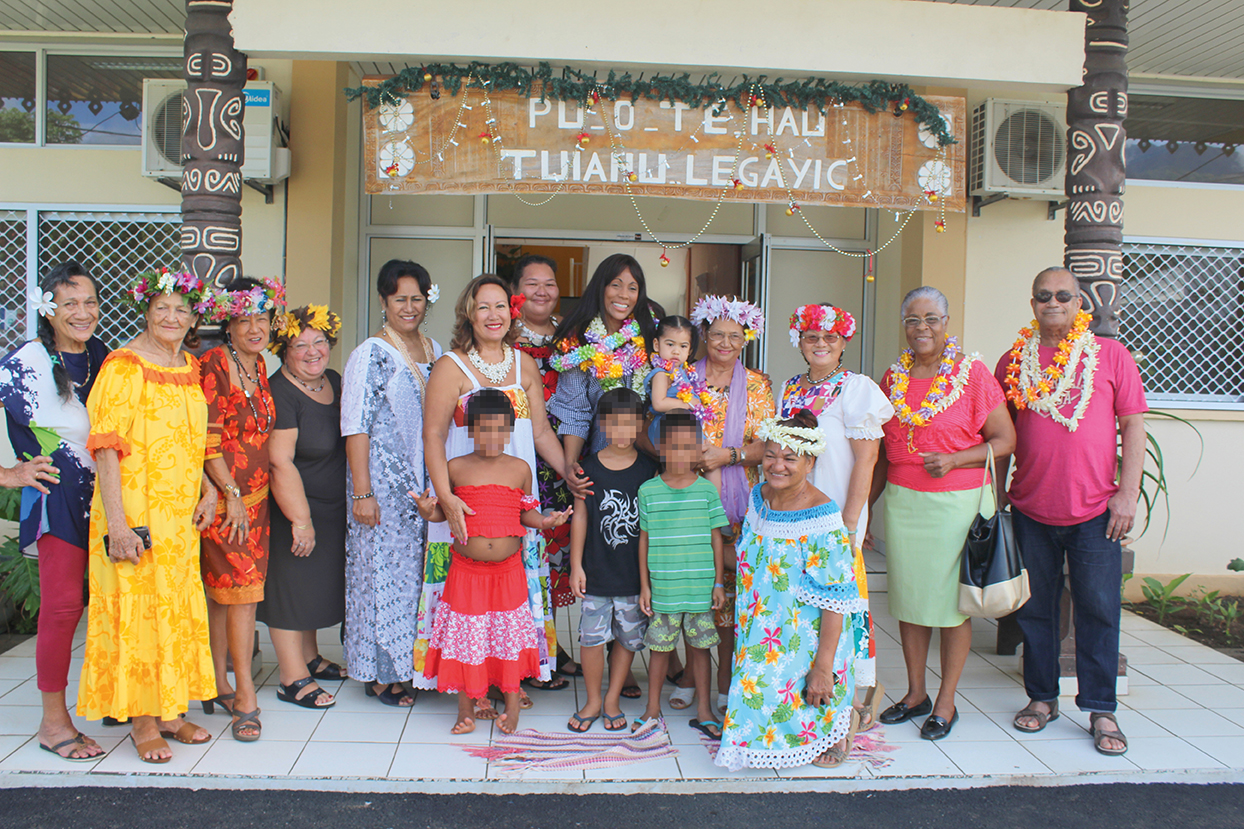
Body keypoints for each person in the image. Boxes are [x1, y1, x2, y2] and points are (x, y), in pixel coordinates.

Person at [996, 267, 1146, 756]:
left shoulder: (1110, 355)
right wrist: (996, 496)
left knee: (1098, 610)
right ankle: (1042, 698)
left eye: (1064, 295)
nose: (1053, 302)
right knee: (1036, 612)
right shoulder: (1015, 360)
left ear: (1079, 301)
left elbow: (1134, 426)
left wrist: (1127, 494)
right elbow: (1000, 437)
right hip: (1031, 507)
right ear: (1032, 302)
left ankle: (1102, 709)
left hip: (1097, 511)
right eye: (1044, 296)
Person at [78, 269, 218, 763]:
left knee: (175, 608)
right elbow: (107, 449)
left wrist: (208, 491)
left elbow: (190, 439)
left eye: (182, 309)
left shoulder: (188, 366)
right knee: (140, 610)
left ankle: (172, 710)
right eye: (163, 308)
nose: (172, 317)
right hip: (134, 510)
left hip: (180, 515)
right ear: (146, 311)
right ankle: (142, 720)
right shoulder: (124, 365)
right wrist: (117, 523)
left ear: (194, 316)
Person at [417, 274, 572, 713]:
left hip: (514, 496)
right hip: (464, 500)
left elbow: (540, 430)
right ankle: (470, 680)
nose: (493, 315)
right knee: (467, 594)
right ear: (469, 312)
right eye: (483, 306)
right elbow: (432, 435)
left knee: (512, 594)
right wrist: (445, 497)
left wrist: (568, 473)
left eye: (501, 306)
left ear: (512, 310)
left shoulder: (525, 365)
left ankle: (507, 675)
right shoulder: (452, 365)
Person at [869, 286, 1015, 741]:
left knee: (954, 605)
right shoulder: (892, 379)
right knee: (910, 602)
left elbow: (1006, 439)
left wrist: (956, 458)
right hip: (904, 502)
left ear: (946, 323)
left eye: (931, 318)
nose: (922, 328)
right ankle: (916, 695)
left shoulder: (971, 374)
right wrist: (864, 512)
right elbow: (882, 452)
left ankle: (947, 701)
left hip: (957, 504)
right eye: (913, 320)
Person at [413, 389, 572, 735]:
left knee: (509, 637)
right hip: (465, 572)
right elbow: (444, 512)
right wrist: (429, 511)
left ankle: (512, 706)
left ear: (511, 430)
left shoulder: (520, 469)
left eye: (500, 429)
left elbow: (527, 513)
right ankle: (466, 707)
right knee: (467, 637)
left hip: (509, 571)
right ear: (469, 430)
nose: (492, 437)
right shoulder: (456, 468)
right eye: (483, 428)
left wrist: (547, 521)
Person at [0, 262, 109, 760]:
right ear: (49, 309)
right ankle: (52, 722)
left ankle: (117, 699)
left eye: (89, 302)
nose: (82, 313)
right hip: (58, 497)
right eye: (70, 303)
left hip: (109, 499)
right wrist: (10, 474)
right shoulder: (28, 359)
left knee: (112, 603)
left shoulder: (105, 358)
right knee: (64, 609)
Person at [716, 412, 862, 771]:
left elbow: (837, 601)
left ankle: (839, 723)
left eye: (790, 458)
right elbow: (749, 556)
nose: (777, 465)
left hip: (806, 636)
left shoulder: (824, 518)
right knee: (753, 701)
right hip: (762, 626)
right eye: (770, 455)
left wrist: (823, 667)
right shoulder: (759, 497)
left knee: (781, 698)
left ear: (810, 463)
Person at [780, 304, 894, 728]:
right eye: (812, 336)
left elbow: (867, 461)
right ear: (801, 342)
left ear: (844, 342)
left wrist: (850, 522)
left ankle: (852, 698)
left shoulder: (856, 388)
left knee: (841, 605)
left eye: (830, 337)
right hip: (793, 513)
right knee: (803, 604)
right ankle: (804, 691)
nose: (821, 344)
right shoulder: (790, 388)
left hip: (835, 517)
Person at [341, 259, 443, 708]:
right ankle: (382, 674)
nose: (408, 307)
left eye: (416, 298)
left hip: (424, 485)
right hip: (381, 486)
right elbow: (355, 425)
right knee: (381, 576)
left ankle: (416, 666)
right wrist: (362, 492)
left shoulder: (435, 348)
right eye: (399, 298)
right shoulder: (371, 353)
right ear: (383, 300)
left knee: (418, 577)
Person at [677, 295, 775, 714]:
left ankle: (727, 679)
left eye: (734, 336)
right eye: (717, 334)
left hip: (745, 500)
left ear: (745, 340)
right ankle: (690, 675)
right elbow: (661, 431)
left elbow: (769, 444)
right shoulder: (681, 378)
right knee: (694, 588)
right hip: (688, 497)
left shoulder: (758, 385)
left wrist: (727, 455)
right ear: (703, 334)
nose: (724, 342)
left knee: (735, 591)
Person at [197, 276, 284, 742]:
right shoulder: (215, 364)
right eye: (244, 319)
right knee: (242, 594)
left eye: (262, 318)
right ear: (227, 324)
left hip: (256, 500)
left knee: (225, 595)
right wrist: (228, 493)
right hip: (229, 504)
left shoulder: (259, 365)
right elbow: (209, 441)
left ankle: (218, 681)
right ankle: (245, 697)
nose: (255, 327)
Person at [258, 305, 349, 710]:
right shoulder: (281, 390)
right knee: (291, 589)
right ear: (284, 350)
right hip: (295, 505)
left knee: (314, 584)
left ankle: (310, 656)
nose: (313, 352)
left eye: (319, 342)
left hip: (331, 504)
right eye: (300, 345)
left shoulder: (333, 380)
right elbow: (280, 460)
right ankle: (292, 677)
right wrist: (300, 520)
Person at [566, 388, 658, 733]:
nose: (622, 432)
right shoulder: (587, 469)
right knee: (591, 639)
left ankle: (612, 698)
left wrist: (650, 576)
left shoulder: (650, 471)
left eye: (630, 424)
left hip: (634, 575)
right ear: (602, 424)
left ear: (640, 425)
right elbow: (581, 517)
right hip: (597, 570)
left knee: (627, 639)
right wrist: (576, 565)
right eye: (613, 424)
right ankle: (592, 699)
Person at [635, 411, 728, 739]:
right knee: (659, 650)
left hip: (700, 589)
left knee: (700, 650)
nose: (679, 454)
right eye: (671, 447)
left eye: (688, 447)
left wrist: (718, 583)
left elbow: (717, 537)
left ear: (699, 450)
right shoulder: (648, 491)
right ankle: (651, 709)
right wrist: (645, 586)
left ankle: (704, 709)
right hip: (663, 589)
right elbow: (643, 540)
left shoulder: (706, 491)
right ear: (660, 448)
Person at [511, 254, 577, 675]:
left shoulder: (571, 338)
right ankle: (523, 651)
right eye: (531, 283)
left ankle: (548, 647)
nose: (542, 291)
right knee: (520, 557)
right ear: (516, 291)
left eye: (549, 283)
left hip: (561, 459)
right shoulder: (500, 337)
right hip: (516, 459)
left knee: (554, 557)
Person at [645, 315, 719, 490]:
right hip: (667, 427)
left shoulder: (683, 371)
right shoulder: (662, 373)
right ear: (657, 345)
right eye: (670, 344)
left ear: (689, 349)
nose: (676, 351)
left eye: (683, 346)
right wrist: (688, 404)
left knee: (711, 462)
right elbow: (658, 403)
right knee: (671, 470)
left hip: (683, 426)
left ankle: (714, 504)